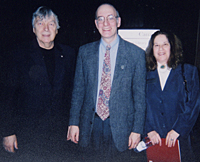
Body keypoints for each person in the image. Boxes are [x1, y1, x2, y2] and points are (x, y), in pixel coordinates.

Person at [67, 3, 146, 162]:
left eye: (110, 18)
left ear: (118, 21)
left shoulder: (136, 54)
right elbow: (78, 91)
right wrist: (73, 122)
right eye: (101, 19)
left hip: (123, 127)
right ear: (96, 24)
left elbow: (140, 97)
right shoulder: (84, 52)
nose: (106, 24)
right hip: (91, 126)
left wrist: (137, 130)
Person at [1, 6, 76, 159]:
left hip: (59, 134)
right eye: (40, 23)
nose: (46, 28)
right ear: (33, 29)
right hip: (27, 133)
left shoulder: (68, 54)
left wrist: (73, 123)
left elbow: (72, 93)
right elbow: (7, 96)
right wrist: (8, 131)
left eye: (51, 23)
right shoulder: (18, 54)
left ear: (57, 28)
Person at [145, 30, 200, 162]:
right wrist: (149, 130)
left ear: (172, 47)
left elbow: (193, 104)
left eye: (165, 44)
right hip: (153, 139)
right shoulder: (144, 74)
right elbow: (138, 105)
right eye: (156, 45)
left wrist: (178, 129)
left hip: (179, 139)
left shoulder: (188, 72)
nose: (160, 49)